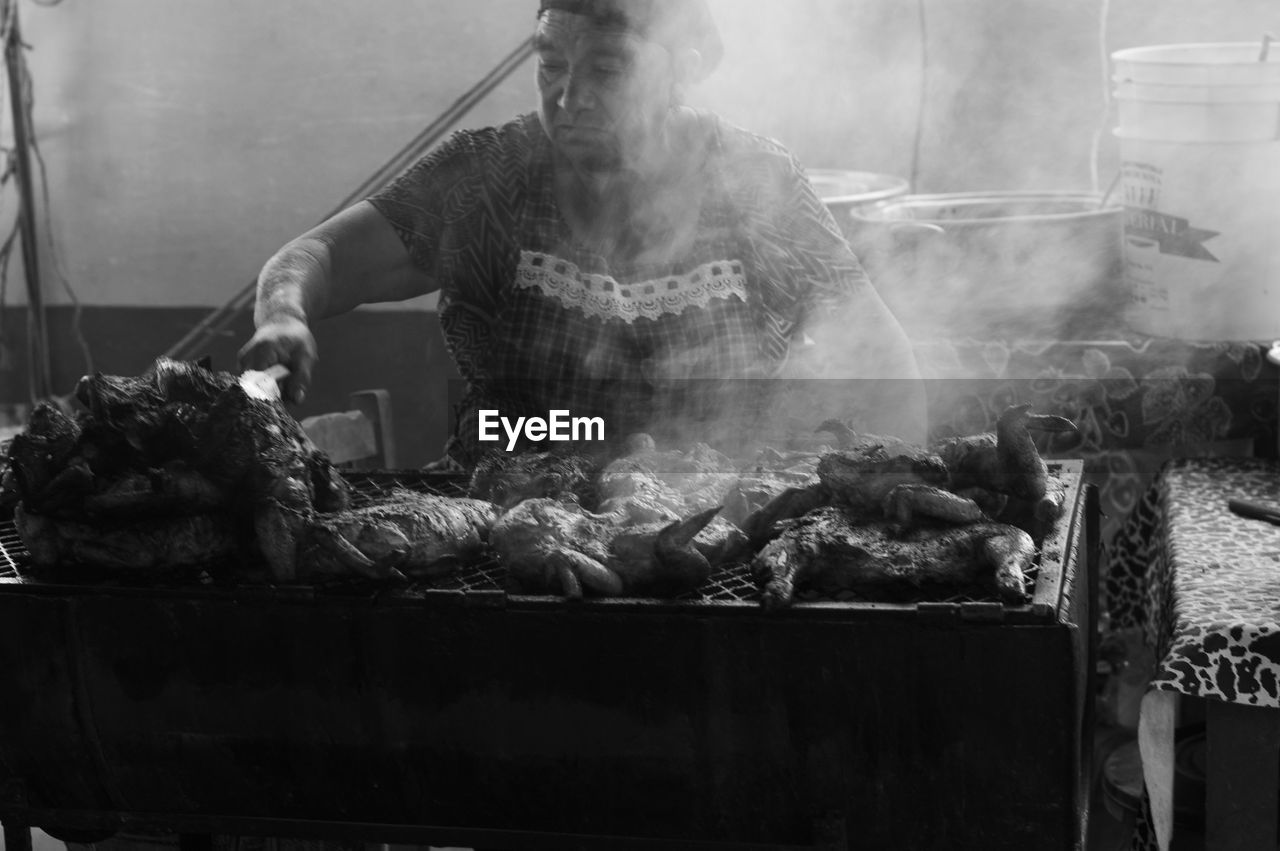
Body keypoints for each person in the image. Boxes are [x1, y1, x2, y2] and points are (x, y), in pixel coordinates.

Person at [239, 0, 927, 469]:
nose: (568, 99)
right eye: (551, 65)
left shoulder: (755, 182)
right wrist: (282, 315)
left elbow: (884, 365)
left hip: (713, 539)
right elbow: (320, 256)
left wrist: (886, 491)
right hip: (509, 532)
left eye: (607, 69)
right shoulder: (487, 179)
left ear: (681, 69)